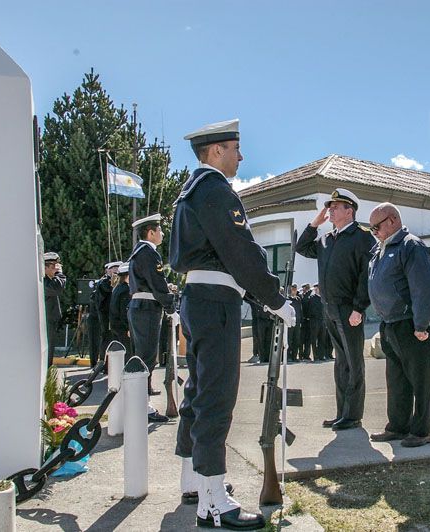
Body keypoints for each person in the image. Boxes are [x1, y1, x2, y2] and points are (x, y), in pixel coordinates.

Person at [169, 119, 295, 530]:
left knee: (198, 393)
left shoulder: (190, 191)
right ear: (216, 150)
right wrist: (276, 299)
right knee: (216, 398)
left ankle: (194, 482)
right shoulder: (215, 189)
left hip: (199, 298)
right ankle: (213, 503)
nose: (241, 157)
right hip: (215, 301)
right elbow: (241, 251)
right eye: (235, 149)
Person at [295, 188, 375, 431]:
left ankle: (353, 415)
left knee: (353, 362)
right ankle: (342, 412)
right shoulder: (326, 239)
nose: (329, 210)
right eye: (329, 207)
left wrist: (359, 307)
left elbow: (366, 276)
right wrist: (314, 224)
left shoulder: (362, 237)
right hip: (329, 308)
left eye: (335, 207)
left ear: (349, 211)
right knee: (340, 363)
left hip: (349, 309)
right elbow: (301, 247)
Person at [367, 203, 430, 447]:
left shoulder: (411, 246)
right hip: (390, 323)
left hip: (410, 323)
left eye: (376, 227)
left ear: (392, 220)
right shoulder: (381, 249)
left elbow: (424, 288)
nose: (374, 232)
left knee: (419, 380)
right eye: (371, 228)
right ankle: (398, 426)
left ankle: (422, 431)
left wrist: (422, 324)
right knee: (396, 380)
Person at [126, 214, 175, 422]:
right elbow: (157, 283)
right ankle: (142, 406)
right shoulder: (148, 253)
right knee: (146, 358)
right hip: (147, 308)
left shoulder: (139, 252)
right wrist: (170, 306)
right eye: (160, 230)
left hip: (140, 307)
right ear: (151, 233)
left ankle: (138, 402)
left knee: (141, 356)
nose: (162, 233)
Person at [89, 261, 121, 369]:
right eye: (114, 270)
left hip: (114, 314)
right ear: (108, 271)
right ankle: (103, 363)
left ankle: (110, 363)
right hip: (105, 315)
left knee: (113, 338)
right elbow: (109, 289)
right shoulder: (104, 282)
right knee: (106, 338)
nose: (116, 272)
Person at [43, 252, 66, 368]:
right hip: (46, 321)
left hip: (49, 320)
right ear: (45, 268)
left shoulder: (48, 280)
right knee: (47, 351)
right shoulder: (45, 281)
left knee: (49, 349)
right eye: (53, 267)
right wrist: (59, 274)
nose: (55, 269)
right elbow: (58, 287)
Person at [109, 261, 131, 356]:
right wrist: (128, 328)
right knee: (127, 353)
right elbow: (124, 311)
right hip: (122, 327)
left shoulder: (118, 288)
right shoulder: (125, 290)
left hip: (115, 325)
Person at [287, 284, 303, 362]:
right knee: (289, 339)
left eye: (295, 289)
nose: (294, 291)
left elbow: (300, 310)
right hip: (290, 322)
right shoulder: (287, 299)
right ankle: (288, 356)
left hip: (297, 321)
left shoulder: (298, 299)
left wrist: (301, 321)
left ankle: (294, 356)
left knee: (296, 339)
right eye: (293, 289)